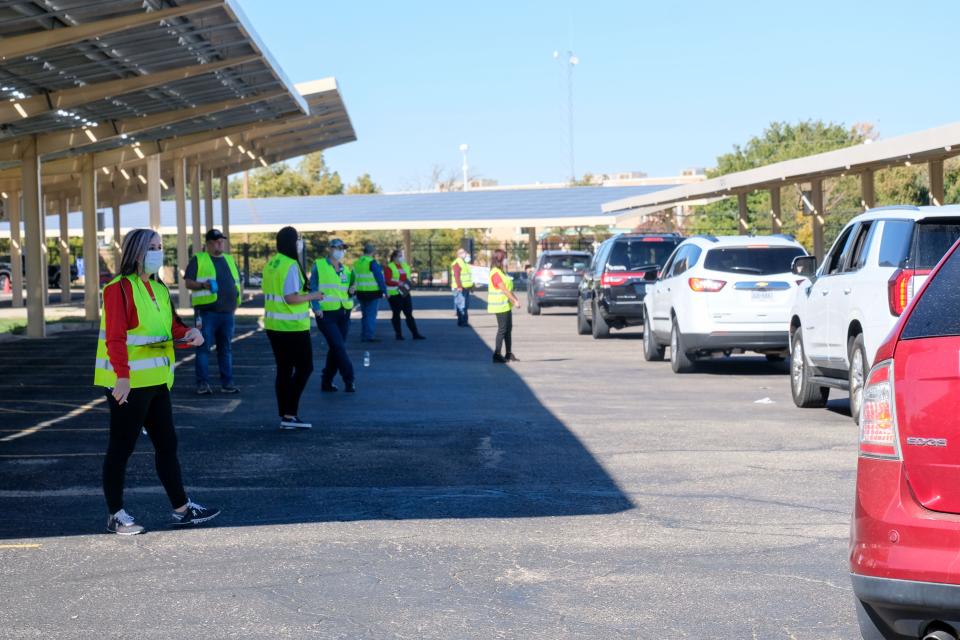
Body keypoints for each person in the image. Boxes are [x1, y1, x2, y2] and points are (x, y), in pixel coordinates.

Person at [96, 228, 220, 535]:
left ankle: (182, 508)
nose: (157, 252)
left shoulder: (159, 288)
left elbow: (171, 326)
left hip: (157, 380)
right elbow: (115, 337)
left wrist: (190, 333)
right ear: (135, 251)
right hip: (129, 383)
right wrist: (122, 378)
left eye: (160, 246)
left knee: (167, 443)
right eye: (151, 247)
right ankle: (115, 514)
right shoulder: (119, 288)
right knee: (121, 448)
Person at [262, 226, 324, 430]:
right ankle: (290, 414)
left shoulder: (272, 263)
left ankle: (285, 415)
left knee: (284, 369)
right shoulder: (290, 265)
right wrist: (313, 296)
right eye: (298, 239)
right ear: (292, 242)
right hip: (292, 326)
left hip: (274, 325)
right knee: (305, 367)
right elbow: (291, 297)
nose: (300, 243)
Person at [184, 228, 241, 395]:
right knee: (203, 348)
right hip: (206, 313)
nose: (220, 244)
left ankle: (227, 384)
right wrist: (203, 285)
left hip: (227, 313)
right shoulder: (199, 259)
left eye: (221, 241)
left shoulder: (229, 260)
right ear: (208, 244)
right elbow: (188, 282)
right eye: (216, 241)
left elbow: (237, 283)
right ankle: (203, 384)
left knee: (226, 349)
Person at [310, 238, 357, 392]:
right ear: (329, 249)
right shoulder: (319, 265)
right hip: (325, 314)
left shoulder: (347, 269)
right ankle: (349, 379)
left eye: (343, 248)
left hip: (343, 313)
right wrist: (315, 307)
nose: (341, 251)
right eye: (338, 247)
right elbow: (313, 288)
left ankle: (327, 381)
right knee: (338, 346)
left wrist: (352, 291)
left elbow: (349, 291)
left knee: (336, 348)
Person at [488, 248, 521, 364]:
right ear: (499, 259)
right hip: (499, 306)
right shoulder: (495, 273)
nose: (506, 260)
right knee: (502, 330)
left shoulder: (501, 271)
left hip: (506, 305)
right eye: (505, 257)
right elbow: (503, 289)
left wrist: (515, 299)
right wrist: (514, 301)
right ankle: (496, 354)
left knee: (508, 329)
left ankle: (508, 353)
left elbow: (508, 288)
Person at [384, 249, 425, 340]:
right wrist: (398, 283)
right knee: (396, 314)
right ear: (394, 257)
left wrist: (410, 282)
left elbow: (407, 278)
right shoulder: (389, 267)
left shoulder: (405, 266)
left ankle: (415, 334)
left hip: (405, 293)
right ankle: (398, 334)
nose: (402, 258)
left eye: (402, 256)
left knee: (409, 313)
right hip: (394, 294)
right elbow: (387, 280)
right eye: (400, 256)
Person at [353, 242, 388, 342]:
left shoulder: (357, 263)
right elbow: (379, 278)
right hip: (372, 293)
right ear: (372, 252)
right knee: (371, 315)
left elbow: (353, 277)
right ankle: (369, 336)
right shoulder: (372, 263)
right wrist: (385, 291)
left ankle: (364, 335)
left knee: (365, 315)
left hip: (360, 292)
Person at [450, 247, 474, 327]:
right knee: (462, 305)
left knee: (464, 305)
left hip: (465, 287)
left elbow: (469, 276)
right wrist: (459, 286)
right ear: (459, 254)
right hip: (459, 288)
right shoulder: (457, 263)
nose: (465, 254)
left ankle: (463, 321)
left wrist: (471, 286)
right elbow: (457, 275)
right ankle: (463, 322)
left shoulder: (464, 263)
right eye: (463, 252)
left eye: (465, 252)